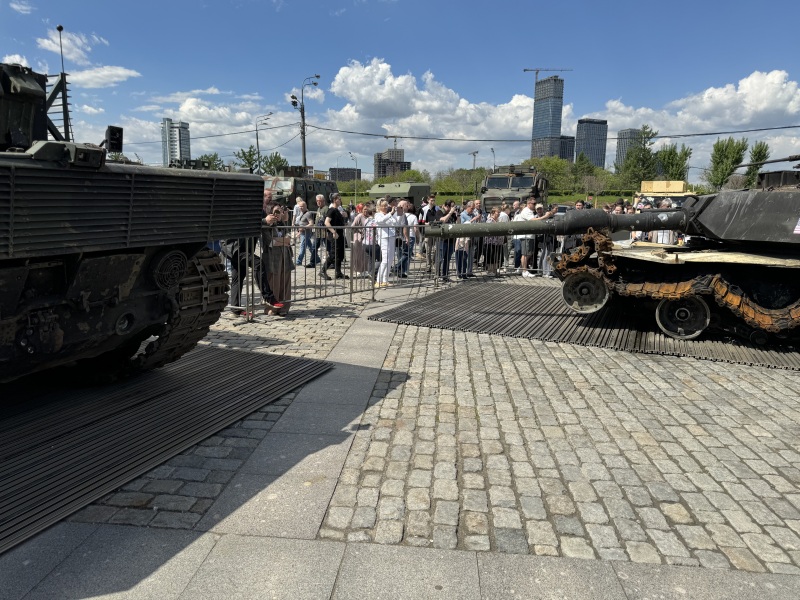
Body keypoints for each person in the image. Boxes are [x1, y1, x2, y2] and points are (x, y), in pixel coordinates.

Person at [261, 201, 294, 316]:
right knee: (273, 282)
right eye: (276, 211)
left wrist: (282, 241)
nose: (279, 213)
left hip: (285, 255)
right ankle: (272, 307)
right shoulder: (267, 226)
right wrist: (284, 241)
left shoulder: (282, 224)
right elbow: (270, 242)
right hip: (272, 257)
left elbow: (288, 239)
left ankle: (284, 306)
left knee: (285, 281)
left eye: (280, 211)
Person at [320, 194, 348, 280]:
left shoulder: (337, 210)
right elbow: (326, 222)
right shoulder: (331, 210)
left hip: (340, 235)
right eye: (339, 199)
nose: (340, 200)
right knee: (333, 254)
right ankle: (323, 270)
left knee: (340, 254)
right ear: (335, 200)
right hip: (334, 235)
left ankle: (338, 273)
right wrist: (333, 232)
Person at [374, 199, 399, 287]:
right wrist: (390, 214)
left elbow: (396, 223)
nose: (385, 207)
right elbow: (380, 221)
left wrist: (395, 213)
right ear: (379, 207)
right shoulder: (378, 215)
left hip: (391, 236)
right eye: (383, 206)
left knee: (390, 259)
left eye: (386, 205)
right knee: (385, 259)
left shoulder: (389, 215)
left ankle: (385, 279)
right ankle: (378, 280)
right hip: (383, 237)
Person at [437, 200, 458, 282]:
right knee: (440, 258)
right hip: (442, 240)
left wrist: (458, 214)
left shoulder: (453, 214)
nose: (453, 208)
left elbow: (458, 223)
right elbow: (442, 220)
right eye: (452, 206)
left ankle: (445, 275)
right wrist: (450, 213)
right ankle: (437, 275)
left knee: (447, 259)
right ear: (447, 206)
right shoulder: (440, 212)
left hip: (451, 240)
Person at [483, 207, 505, 275]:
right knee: (491, 256)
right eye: (497, 212)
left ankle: (494, 270)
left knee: (496, 256)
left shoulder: (497, 220)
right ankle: (490, 270)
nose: (499, 214)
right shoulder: (490, 220)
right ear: (493, 213)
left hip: (497, 242)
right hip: (491, 242)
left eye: (499, 212)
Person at [350, 203, 369, 277]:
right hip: (358, 237)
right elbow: (352, 226)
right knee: (358, 254)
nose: (366, 211)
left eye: (367, 209)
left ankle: (364, 269)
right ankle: (358, 270)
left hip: (366, 238)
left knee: (365, 255)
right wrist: (360, 230)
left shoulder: (369, 217)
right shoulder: (359, 216)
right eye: (364, 209)